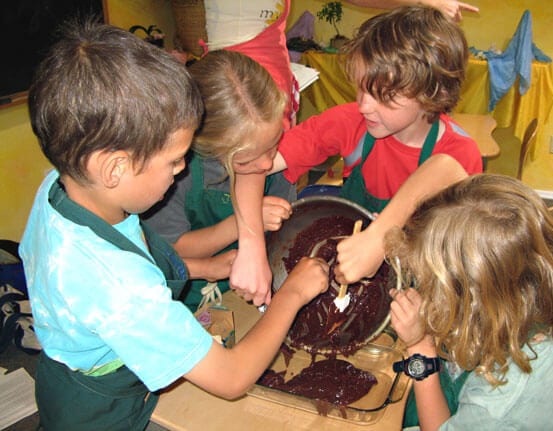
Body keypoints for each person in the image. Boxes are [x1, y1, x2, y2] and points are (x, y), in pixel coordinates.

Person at [19, 20, 328, 430]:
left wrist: (201, 268)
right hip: (100, 415)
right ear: (115, 168)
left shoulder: (62, 188)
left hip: (69, 374)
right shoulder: (120, 289)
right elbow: (232, 377)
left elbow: (124, 255)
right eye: (175, 160)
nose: (182, 169)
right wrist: (292, 293)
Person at [206, 0, 480, 307]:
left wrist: (380, 237)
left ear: (433, 94)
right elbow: (253, 162)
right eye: (361, 89)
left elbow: (446, 169)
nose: (364, 106)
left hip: (423, 289)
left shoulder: (457, 150)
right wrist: (252, 246)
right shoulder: (350, 123)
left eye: (384, 96)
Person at [386, 173, 553, 430]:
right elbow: (443, 166)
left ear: (471, 296)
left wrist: (420, 348)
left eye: (432, 283)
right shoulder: (517, 293)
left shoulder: (508, 389)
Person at [144, 49, 295, 310]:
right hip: (193, 297)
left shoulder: (265, 154)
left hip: (255, 284)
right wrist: (240, 224)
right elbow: (170, 251)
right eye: (246, 161)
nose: (268, 164)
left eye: (273, 145)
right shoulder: (177, 174)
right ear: (205, 144)